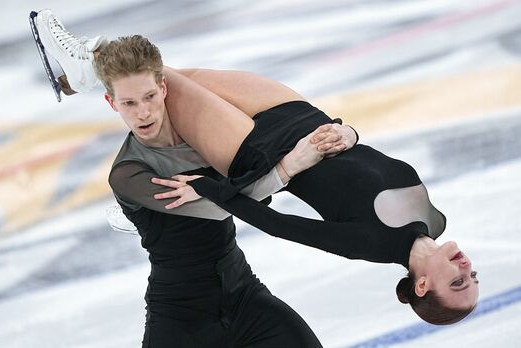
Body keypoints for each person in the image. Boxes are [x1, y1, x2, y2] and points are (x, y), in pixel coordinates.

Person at [34, 9, 478, 327]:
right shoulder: (434, 218)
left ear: (422, 287)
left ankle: (90, 63)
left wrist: (210, 190)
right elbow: (370, 163)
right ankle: (80, 78)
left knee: (159, 82)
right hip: (300, 115)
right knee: (181, 77)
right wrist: (351, 135)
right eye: (473, 277)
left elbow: (276, 223)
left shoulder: (374, 244)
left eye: (458, 284)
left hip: (254, 149)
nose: (467, 270)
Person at [34, 9, 359, 348]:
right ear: (111, 103)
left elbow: (281, 120)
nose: (143, 112)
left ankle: (89, 69)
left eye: (149, 96)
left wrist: (347, 132)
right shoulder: (128, 173)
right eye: (129, 103)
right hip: (181, 319)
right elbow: (217, 207)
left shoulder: (207, 134)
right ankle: (91, 69)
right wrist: (289, 166)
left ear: (164, 88)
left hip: (244, 295)